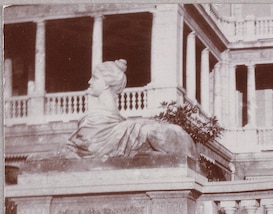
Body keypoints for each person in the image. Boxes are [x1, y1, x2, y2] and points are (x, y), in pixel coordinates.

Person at [64, 59, 196, 159]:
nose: (89, 82)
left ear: (106, 84)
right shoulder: (98, 118)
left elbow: (88, 148)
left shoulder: (98, 120)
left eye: (95, 78)